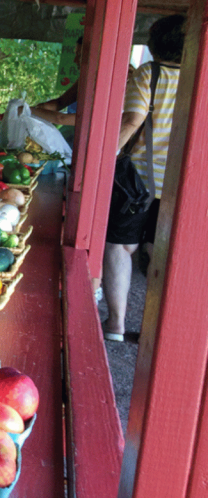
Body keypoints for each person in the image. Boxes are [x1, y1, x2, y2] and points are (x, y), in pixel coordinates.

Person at [102, 14, 185, 342]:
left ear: (154, 43)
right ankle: (156, 332)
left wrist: (105, 157)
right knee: (160, 253)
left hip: (139, 181)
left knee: (121, 248)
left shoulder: (150, 74)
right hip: (180, 183)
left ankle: (116, 326)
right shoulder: (199, 78)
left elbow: (133, 120)